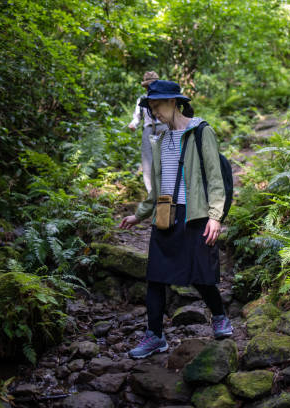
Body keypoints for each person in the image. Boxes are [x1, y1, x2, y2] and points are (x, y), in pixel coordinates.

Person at [119, 80, 233, 359]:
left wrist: (215, 216)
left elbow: (215, 178)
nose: (154, 113)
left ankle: (219, 316)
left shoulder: (201, 131)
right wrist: (139, 215)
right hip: (165, 214)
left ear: (173, 102)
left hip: (195, 214)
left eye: (157, 106)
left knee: (202, 276)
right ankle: (155, 336)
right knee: (156, 277)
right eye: (151, 108)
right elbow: (158, 188)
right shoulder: (160, 139)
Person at [128, 71, 169, 193]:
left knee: (167, 160)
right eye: (148, 85)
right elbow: (137, 117)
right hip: (148, 129)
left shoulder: (166, 97)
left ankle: (167, 191)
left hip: (164, 127)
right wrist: (133, 124)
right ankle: (152, 193)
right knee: (148, 163)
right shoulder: (141, 100)